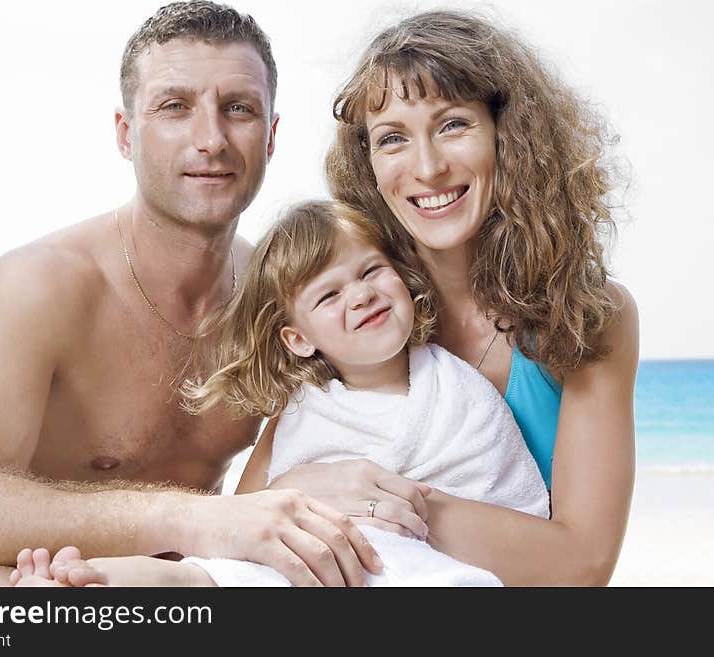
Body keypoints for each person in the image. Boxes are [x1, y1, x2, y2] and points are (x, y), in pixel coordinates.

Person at [0, 1, 380, 588]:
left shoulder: (280, 299)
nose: (211, 139)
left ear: (271, 137)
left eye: (239, 110)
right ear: (126, 135)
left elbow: (367, 421)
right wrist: (195, 517)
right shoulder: (37, 287)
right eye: (175, 107)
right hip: (19, 585)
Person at [266, 9, 640, 586]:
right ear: (368, 161)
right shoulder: (352, 309)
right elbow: (256, 508)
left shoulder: (590, 317)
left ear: (507, 135)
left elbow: (581, 566)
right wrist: (299, 488)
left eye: (452, 125)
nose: (428, 167)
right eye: (393, 138)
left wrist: (375, 499)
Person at [10, 200, 549, 587]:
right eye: (330, 294)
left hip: (405, 568)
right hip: (289, 565)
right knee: (199, 581)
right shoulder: (304, 409)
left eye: (371, 272)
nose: (360, 296)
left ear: (403, 279)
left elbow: (508, 494)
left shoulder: (458, 393)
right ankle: (76, 588)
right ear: (298, 339)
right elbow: (240, 522)